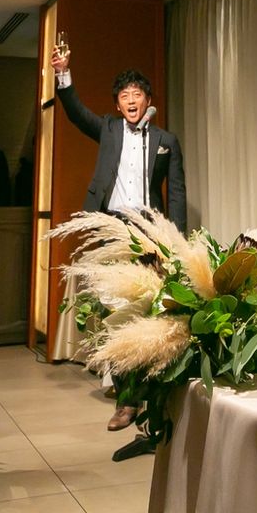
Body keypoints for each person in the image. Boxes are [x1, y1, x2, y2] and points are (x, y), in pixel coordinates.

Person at [50, 47, 186, 456]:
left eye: (136, 94)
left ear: (148, 100)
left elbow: (176, 193)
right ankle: (127, 400)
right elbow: (76, 113)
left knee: (147, 311)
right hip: (111, 227)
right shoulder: (108, 129)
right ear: (117, 104)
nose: (130, 100)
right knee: (114, 310)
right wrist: (64, 74)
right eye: (124, 95)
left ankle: (147, 391)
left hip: (150, 231)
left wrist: (176, 240)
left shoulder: (165, 141)